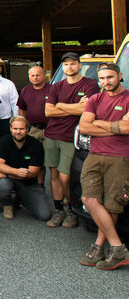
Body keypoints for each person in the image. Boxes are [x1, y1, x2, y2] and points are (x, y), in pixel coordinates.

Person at [78, 63, 129, 270]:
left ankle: (99, 246)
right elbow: (83, 127)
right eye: (102, 78)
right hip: (95, 154)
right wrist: (116, 128)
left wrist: (98, 123)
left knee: (111, 205)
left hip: (120, 157)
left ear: (119, 76)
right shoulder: (95, 99)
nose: (106, 82)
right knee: (88, 199)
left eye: (110, 77)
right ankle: (118, 247)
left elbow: (128, 128)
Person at [44, 52, 99, 228]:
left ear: (80, 65)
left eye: (73, 64)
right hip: (52, 134)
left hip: (71, 137)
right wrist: (75, 107)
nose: (70, 67)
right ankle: (59, 210)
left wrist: (60, 105)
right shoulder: (56, 86)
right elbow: (48, 112)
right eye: (66, 64)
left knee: (65, 176)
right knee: (53, 173)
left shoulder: (90, 85)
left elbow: (87, 110)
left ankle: (72, 211)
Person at [0, 116, 51, 222]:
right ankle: (7, 204)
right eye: (15, 129)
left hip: (28, 183)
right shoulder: (3, 141)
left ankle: (20, 198)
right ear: (10, 128)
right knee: (2, 183)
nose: (18, 132)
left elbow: (33, 173)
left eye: (21, 129)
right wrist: (16, 172)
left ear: (27, 129)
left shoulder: (36, 145)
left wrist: (6, 174)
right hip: (9, 180)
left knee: (45, 215)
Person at [17, 64, 51, 187]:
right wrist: (25, 126)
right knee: (33, 158)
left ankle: (58, 195)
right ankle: (38, 185)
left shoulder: (52, 89)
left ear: (44, 76)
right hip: (33, 129)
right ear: (29, 77)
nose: (35, 77)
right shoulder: (25, 90)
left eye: (38, 75)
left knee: (51, 161)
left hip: (50, 130)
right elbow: (22, 109)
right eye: (32, 75)